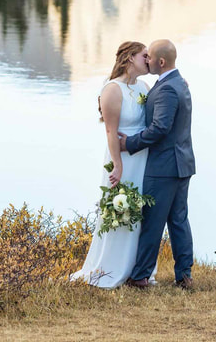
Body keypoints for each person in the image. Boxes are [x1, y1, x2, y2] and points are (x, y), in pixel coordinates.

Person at [70, 41, 151, 288]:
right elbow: (110, 131)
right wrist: (117, 165)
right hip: (122, 157)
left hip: (143, 157)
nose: (149, 60)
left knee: (140, 211)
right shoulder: (112, 89)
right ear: (130, 58)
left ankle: (138, 269)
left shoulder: (144, 87)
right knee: (121, 208)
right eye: (144, 55)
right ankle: (112, 267)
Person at [119, 39, 195, 290]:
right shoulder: (178, 83)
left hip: (164, 166)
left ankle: (140, 276)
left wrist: (129, 143)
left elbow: (160, 128)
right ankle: (184, 275)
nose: (147, 60)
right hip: (181, 163)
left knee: (153, 221)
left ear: (161, 62)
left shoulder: (168, 89)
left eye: (149, 57)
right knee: (178, 220)